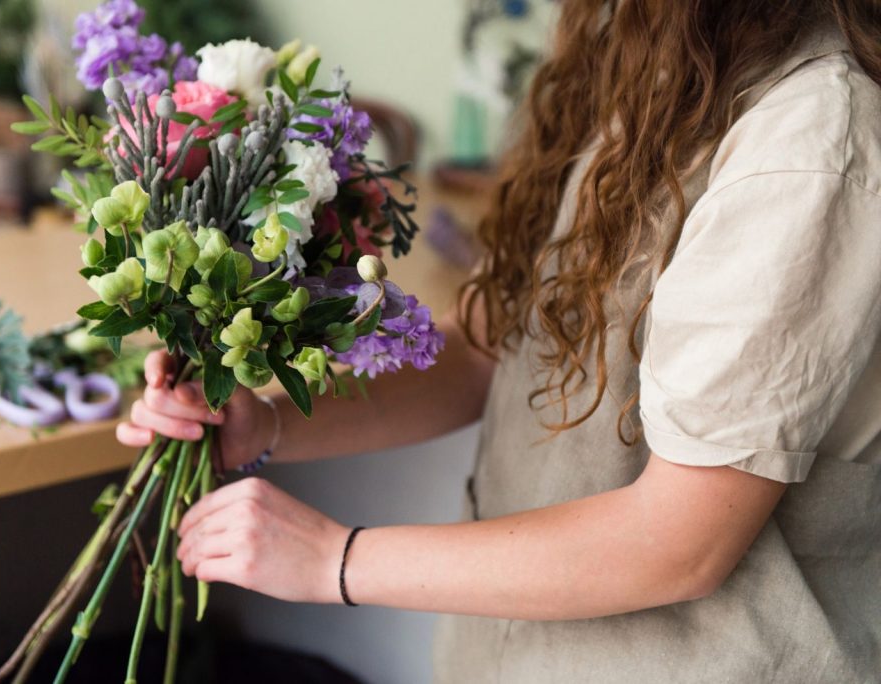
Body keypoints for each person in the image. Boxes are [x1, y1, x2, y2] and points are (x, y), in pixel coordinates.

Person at [117, 2, 881, 681]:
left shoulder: (810, 138)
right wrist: (268, 424)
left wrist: (332, 560)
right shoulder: (654, 59)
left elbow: (681, 540)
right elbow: (498, 347)